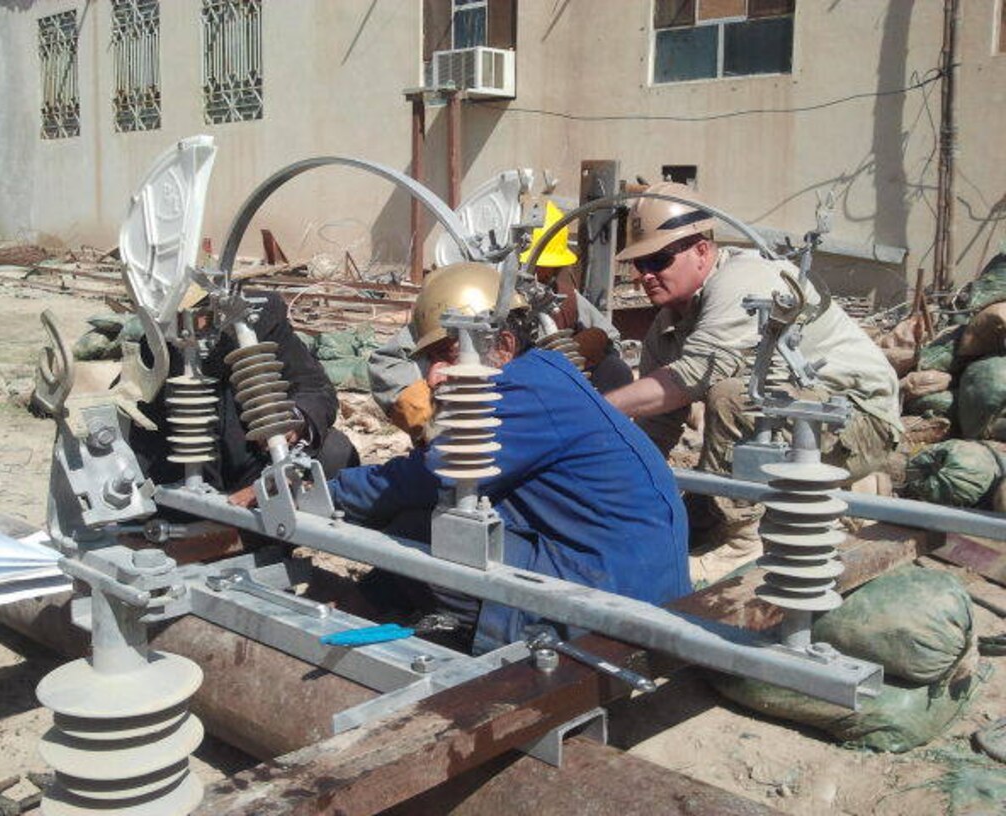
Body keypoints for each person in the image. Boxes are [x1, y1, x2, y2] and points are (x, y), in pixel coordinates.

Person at [330, 262, 690, 654]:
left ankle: (385, 616)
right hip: (633, 580)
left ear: (503, 346)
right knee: (437, 523)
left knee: (418, 529)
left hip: (609, 601)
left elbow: (428, 478)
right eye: (430, 359)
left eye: (448, 354)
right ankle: (371, 605)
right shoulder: (543, 372)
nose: (433, 376)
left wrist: (325, 496)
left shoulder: (518, 395)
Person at [604, 182, 903, 583]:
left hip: (861, 422)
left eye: (659, 259)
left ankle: (746, 543)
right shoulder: (667, 327)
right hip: (796, 425)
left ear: (701, 250)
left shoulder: (743, 279)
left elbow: (692, 377)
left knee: (731, 394)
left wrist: (595, 408)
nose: (648, 275)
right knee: (683, 521)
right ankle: (829, 498)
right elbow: (656, 427)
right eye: (640, 265)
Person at [369, 201, 631, 445]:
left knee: (614, 370)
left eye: (547, 269)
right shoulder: (461, 299)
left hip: (537, 406)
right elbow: (386, 364)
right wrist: (427, 408)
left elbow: (610, 338)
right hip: (472, 422)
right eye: (530, 268)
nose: (537, 280)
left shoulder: (562, 297)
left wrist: (577, 348)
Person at [131, 289, 359, 499]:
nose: (201, 323)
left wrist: (296, 418)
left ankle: (264, 531)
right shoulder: (156, 345)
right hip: (182, 476)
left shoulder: (263, 321)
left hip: (258, 462)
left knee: (336, 452)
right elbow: (137, 421)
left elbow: (314, 387)